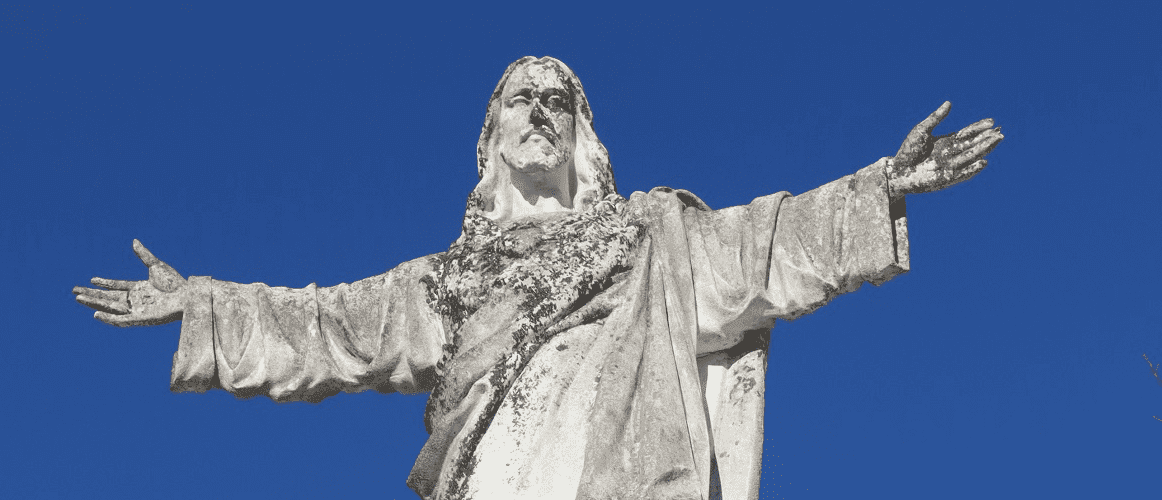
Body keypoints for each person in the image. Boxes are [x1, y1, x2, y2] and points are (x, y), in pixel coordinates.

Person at [73, 56, 1002, 500]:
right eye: (522, 98)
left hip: (614, 469)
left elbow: (760, 248)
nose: (542, 112)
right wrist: (207, 305)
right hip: (492, 470)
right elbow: (332, 329)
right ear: (492, 138)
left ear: (580, 137)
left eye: (560, 102)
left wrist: (879, 187)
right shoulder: (450, 279)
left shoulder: (649, 237)